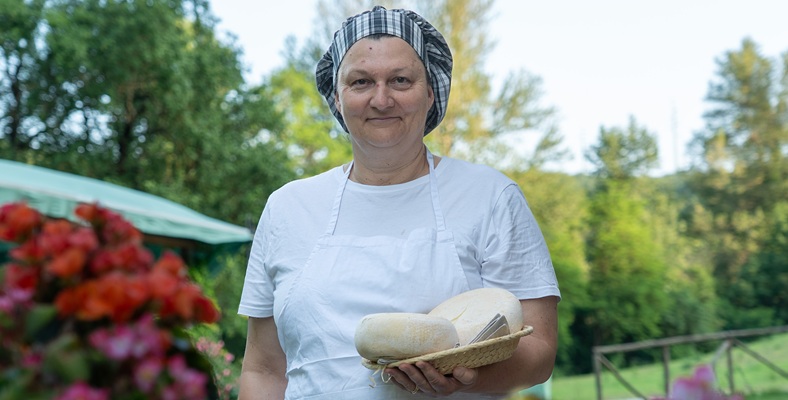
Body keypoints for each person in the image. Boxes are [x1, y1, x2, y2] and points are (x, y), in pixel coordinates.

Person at [238, 6, 560, 399]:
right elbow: (264, 368)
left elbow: (539, 348)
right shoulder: (288, 208)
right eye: (360, 82)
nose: (381, 99)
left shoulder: (490, 196)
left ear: (430, 93)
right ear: (336, 98)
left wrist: (465, 377)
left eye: (400, 80)